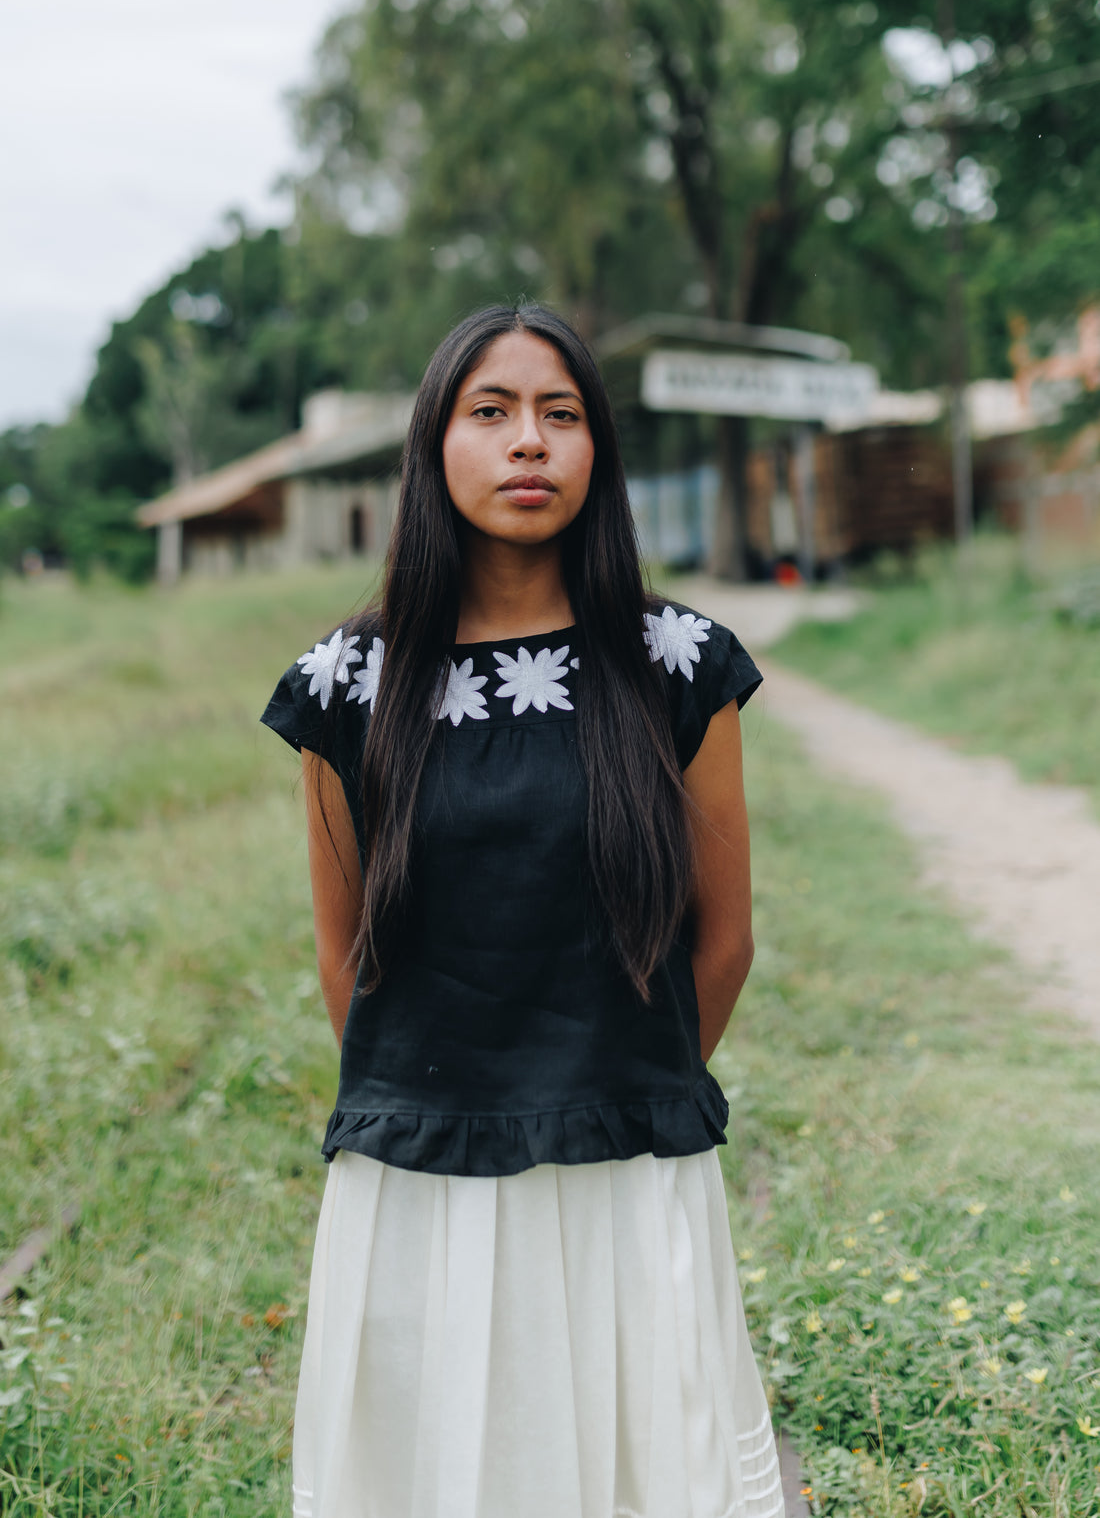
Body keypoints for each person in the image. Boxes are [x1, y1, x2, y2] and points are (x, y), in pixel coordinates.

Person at [261, 304, 784, 1518]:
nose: (527, 443)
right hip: (420, 1170)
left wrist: (603, 1081)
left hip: (629, 1160)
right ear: (431, 449)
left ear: (597, 451)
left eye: (559, 415)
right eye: (488, 413)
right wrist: (465, 1096)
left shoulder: (675, 666)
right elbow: (345, 955)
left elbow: (725, 937)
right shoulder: (350, 685)